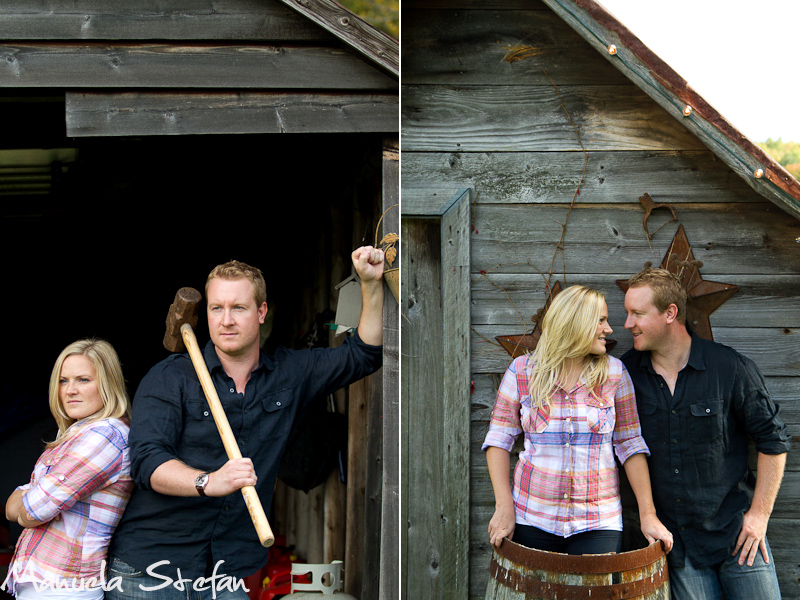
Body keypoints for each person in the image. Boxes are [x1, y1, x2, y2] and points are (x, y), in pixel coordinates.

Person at [106, 247, 384, 599]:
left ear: (261, 312)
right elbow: (147, 461)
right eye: (216, 308)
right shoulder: (170, 378)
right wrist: (210, 481)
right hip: (150, 571)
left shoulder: (290, 373)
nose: (226, 320)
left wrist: (371, 285)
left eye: (238, 308)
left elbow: (363, 355)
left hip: (227, 573)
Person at [621, 266, 790, 600]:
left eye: (637, 313)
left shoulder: (729, 368)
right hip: (678, 545)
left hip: (738, 534)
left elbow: (774, 441)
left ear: (670, 313)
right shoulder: (625, 375)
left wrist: (759, 516)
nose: (628, 324)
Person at [483, 284, 672, 555]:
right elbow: (499, 440)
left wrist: (648, 514)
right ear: (576, 323)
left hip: (598, 522)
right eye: (601, 320)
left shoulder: (615, 374)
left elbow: (630, 444)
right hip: (532, 516)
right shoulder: (523, 371)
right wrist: (504, 508)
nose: (609, 329)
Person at [3, 339, 133, 599]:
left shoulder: (105, 435)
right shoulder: (77, 434)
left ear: (107, 384)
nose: (70, 390)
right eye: (63, 381)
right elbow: (10, 509)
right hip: (49, 584)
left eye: (83, 380)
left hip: (65, 585)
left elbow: (31, 511)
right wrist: (27, 502)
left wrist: (27, 499)